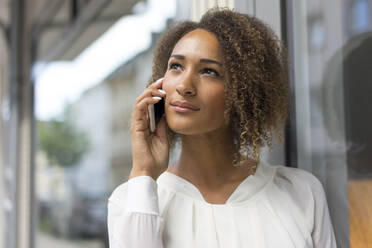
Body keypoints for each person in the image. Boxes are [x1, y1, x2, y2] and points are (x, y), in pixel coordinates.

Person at [107, 7, 337, 248]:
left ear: (243, 92)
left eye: (209, 71)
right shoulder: (132, 200)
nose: (184, 85)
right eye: (176, 66)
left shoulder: (301, 193)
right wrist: (144, 172)